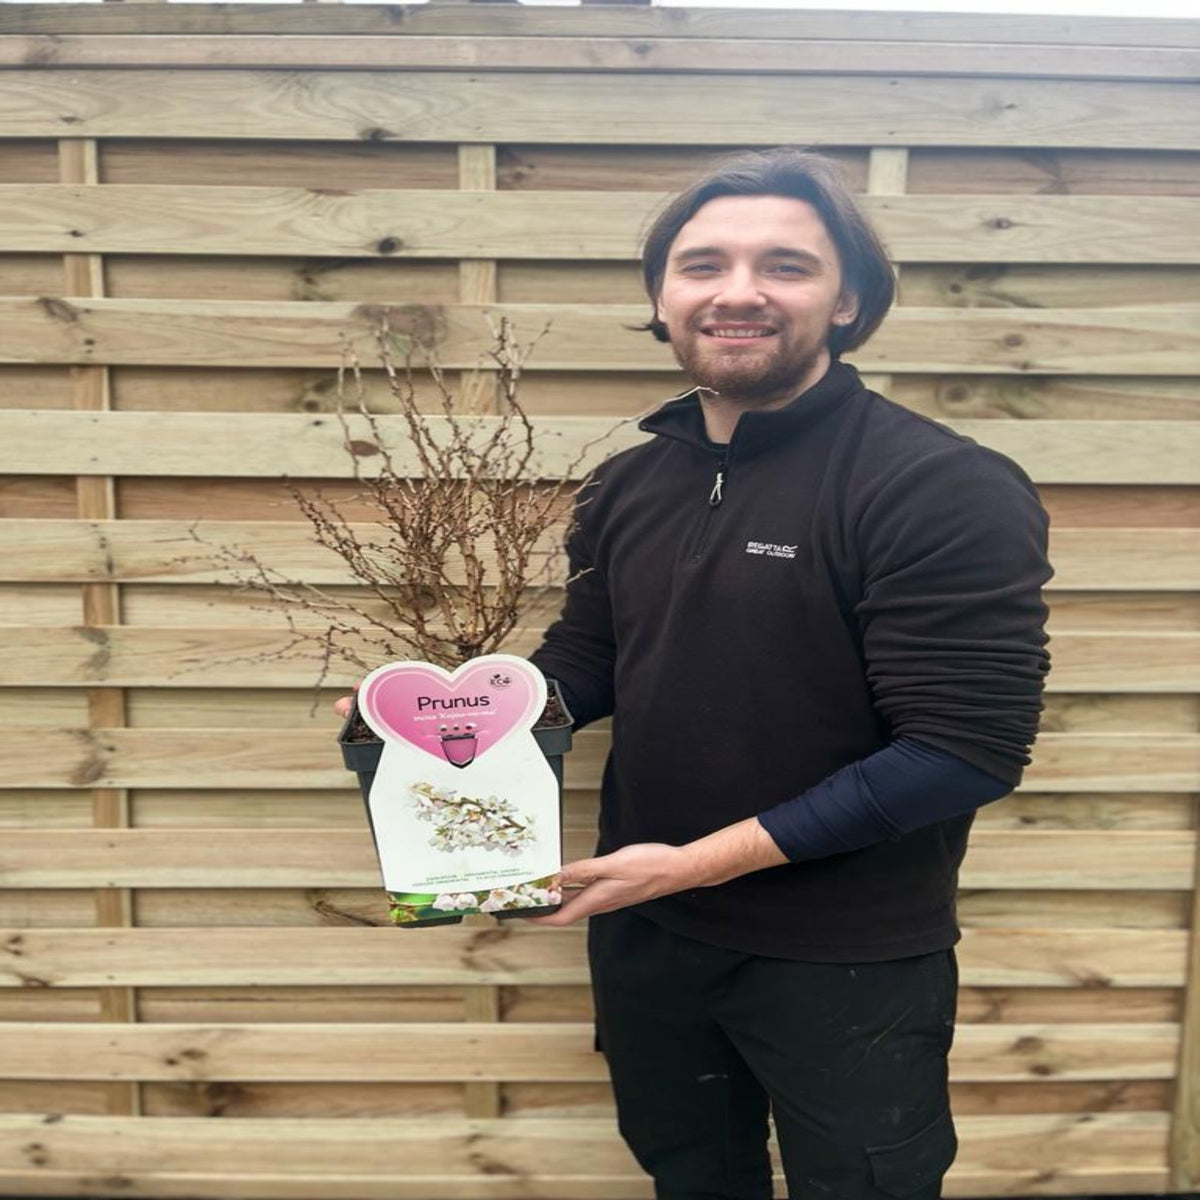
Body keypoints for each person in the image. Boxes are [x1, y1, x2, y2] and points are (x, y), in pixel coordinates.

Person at [336, 147, 1053, 1199]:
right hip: (650, 936)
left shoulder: (938, 486)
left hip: (842, 957)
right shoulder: (632, 482)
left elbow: (961, 753)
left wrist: (688, 862)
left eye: (786, 266)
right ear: (664, 296)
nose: (739, 291)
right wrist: (450, 728)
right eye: (703, 263)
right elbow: (589, 658)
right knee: (690, 1176)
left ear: (849, 298)